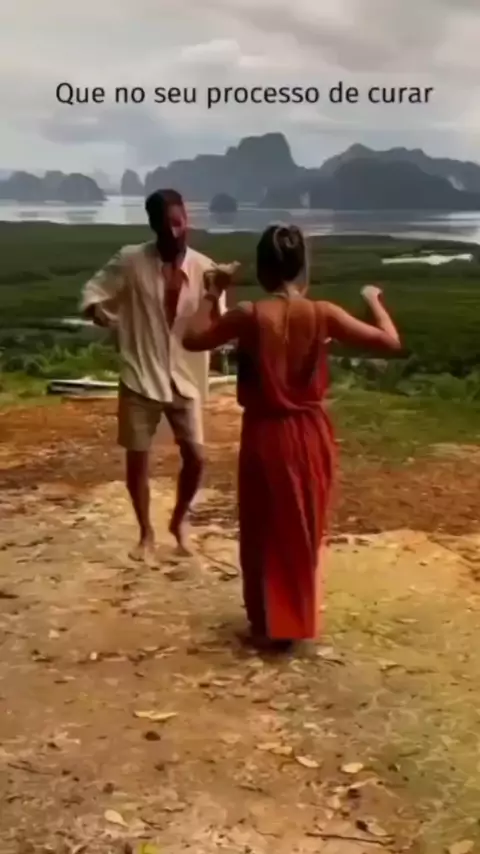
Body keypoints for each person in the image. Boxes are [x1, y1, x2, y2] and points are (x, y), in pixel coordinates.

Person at [183, 224, 401, 649]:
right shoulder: (323, 313)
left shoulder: (248, 315)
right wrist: (374, 300)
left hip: (265, 434)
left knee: (263, 527)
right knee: (303, 528)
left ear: (264, 270)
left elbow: (192, 339)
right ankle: (294, 619)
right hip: (311, 433)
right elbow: (390, 341)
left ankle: (266, 620)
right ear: (303, 268)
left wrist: (213, 292)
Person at [80, 188, 231, 564]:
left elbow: (218, 325)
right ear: (153, 226)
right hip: (140, 372)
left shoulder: (206, 269)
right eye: (166, 226)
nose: (175, 232)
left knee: (196, 456)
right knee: (138, 457)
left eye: (179, 223)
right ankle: (145, 532)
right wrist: (103, 315)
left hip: (185, 375)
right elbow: (93, 291)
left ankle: (179, 521)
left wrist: (217, 296)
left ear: (187, 218)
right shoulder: (131, 260)